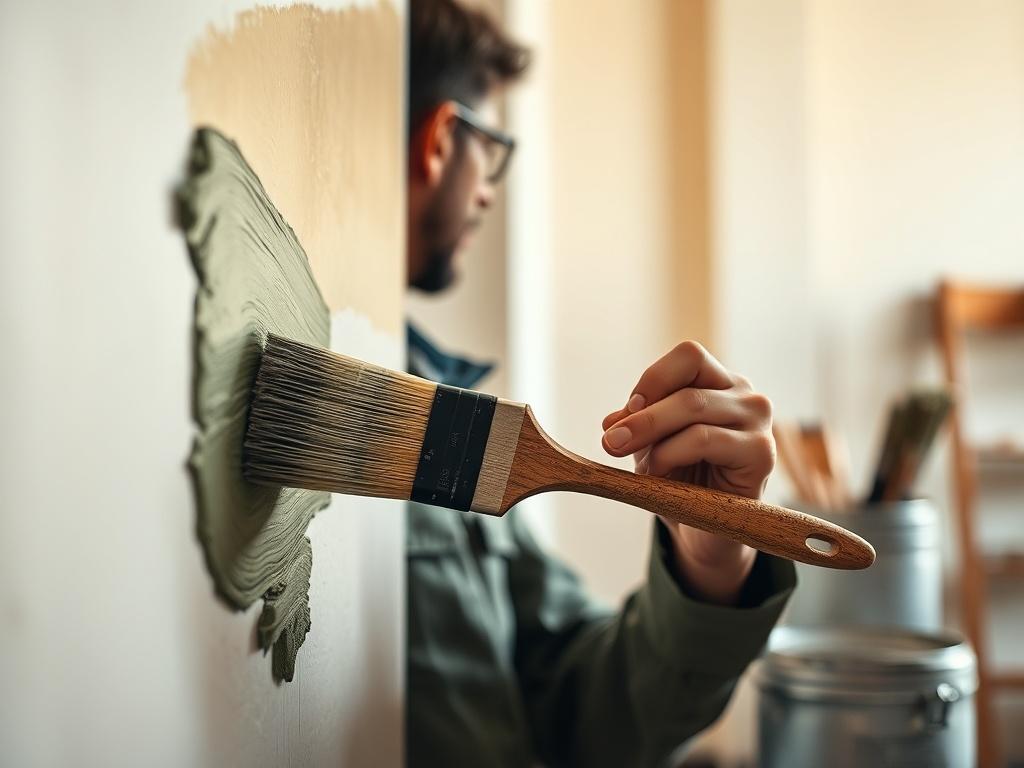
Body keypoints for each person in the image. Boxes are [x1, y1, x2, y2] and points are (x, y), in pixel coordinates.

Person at [404, 2, 796, 765]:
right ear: (443, 139)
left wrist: (713, 566)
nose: (487, 191)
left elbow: (583, 710)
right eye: (493, 147)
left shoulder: (445, 419)